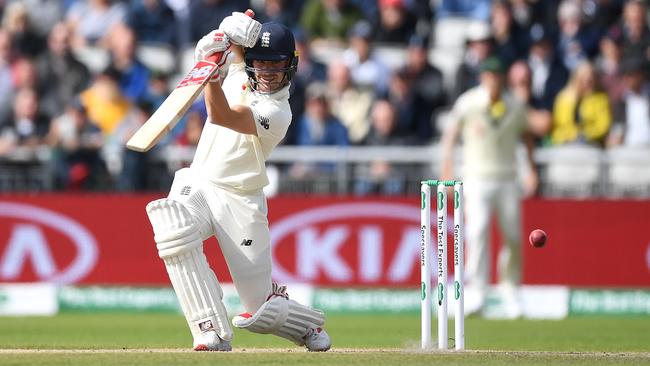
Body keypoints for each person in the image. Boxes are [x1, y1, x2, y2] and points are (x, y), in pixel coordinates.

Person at [144, 14, 331, 352]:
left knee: (259, 310)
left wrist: (212, 78)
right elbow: (224, 45)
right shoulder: (241, 69)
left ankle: (308, 325)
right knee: (172, 229)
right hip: (200, 181)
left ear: (291, 65)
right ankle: (210, 330)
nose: (267, 74)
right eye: (260, 64)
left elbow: (222, 116)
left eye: (276, 66)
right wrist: (223, 32)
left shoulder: (278, 112)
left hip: (241, 200)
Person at [440, 56, 538, 318]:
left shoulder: (514, 105)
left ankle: (510, 289)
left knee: (513, 237)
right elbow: (451, 135)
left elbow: (527, 135)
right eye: (488, 76)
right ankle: (477, 291)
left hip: (507, 179)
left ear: (502, 78)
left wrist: (531, 169)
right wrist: (447, 169)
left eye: (497, 76)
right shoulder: (468, 102)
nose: (493, 81)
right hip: (476, 178)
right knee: (478, 232)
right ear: (482, 77)